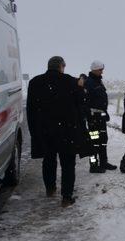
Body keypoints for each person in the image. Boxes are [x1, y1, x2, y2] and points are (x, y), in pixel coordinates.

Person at [27, 56, 88, 207]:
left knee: (48, 160)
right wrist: (80, 86)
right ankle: (66, 197)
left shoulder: (35, 82)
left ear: (49, 66)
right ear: (61, 66)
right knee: (68, 164)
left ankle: (50, 189)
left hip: (45, 131)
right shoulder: (71, 81)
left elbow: (31, 109)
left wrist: (34, 131)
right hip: (67, 131)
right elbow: (82, 103)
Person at [84, 60, 117, 173]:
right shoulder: (89, 83)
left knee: (103, 141)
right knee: (93, 143)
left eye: (102, 70)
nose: (102, 72)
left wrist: (104, 114)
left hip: (101, 118)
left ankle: (104, 162)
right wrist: (91, 117)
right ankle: (93, 165)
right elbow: (86, 103)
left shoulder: (98, 81)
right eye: (100, 70)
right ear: (94, 70)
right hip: (93, 120)